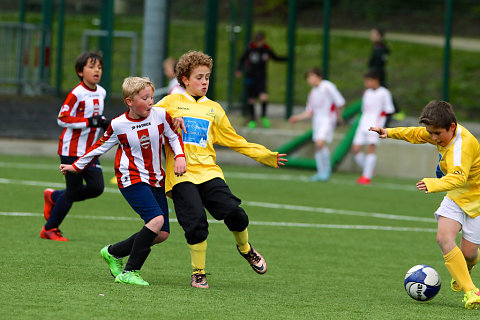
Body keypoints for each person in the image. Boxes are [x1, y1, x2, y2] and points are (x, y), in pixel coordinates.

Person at [154, 50, 288, 289]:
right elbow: (148, 121)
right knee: (196, 223)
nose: (204, 82)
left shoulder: (214, 109)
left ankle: (246, 249)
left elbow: (235, 140)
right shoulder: (170, 103)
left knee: (236, 214)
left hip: (209, 172)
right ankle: (198, 272)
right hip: (181, 175)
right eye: (199, 77)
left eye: (207, 77)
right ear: (184, 79)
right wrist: (166, 122)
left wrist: (265, 156)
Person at [60, 77, 186, 286]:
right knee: (156, 221)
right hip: (131, 178)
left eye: (152, 97)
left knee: (162, 234)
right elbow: (100, 146)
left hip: (156, 178)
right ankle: (130, 271)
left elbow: (173, 136)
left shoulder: (160, 115)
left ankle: (113, 252)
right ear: (129, 101)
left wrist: (180, 156)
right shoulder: (119, 125)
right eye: (144, 98)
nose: (150, 102)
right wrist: (76, 166)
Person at [369, 100, 480, 310]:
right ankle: (471, 291)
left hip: (477, 196)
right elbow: (415, 134)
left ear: (452, 127)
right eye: (431, 132)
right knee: (443, 237)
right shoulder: (437, 132)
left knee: (470, 254)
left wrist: (433, 183)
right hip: (456, 195)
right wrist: (388, 132)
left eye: (437, 133)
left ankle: (467, 268)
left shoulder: (461, 146)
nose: (433, 137)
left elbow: (458, 178)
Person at [41, 51, 110, 241]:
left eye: (99, 67)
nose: (97, 70)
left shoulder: (102, 92)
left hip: (90, 151)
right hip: (71, 149)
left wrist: (103, 123)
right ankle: (50, 228)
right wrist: (90, 122)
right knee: (72, 192)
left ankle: (54, 197)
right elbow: (62, 119)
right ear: (80, 71)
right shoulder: (76, 93)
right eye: (91, 66)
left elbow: (97, 117)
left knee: (97, 188)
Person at [288, 68, 345, 181]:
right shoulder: (313, 92)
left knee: (320, 143)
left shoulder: (328, 86)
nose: (309, 80)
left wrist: (339, 117)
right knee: (318, 146)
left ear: (318, 76)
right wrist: (297, 117)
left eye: (311, 76)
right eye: (308, 78)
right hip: (317, 121)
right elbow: (310, 112)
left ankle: (327, 170)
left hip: (328, 119)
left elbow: (340, 102)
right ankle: (321, 172)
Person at [236, 31, 287, 129]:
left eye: (261, 42)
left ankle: (264, 117)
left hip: (261, 77)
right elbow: (241, 59)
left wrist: (286, 59)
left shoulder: (266, 49)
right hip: (250, 77)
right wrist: (238, 69)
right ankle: (252, 119)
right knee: (251, 99)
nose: (259, 44)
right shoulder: (250, 48)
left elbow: (275, 58)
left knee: (264, 97)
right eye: (257, 42)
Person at [352, 71, 395, 185]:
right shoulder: (366, 93)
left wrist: (383, 126)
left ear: (376, 80)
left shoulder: (384, 93)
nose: (366, 83)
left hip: (376, 125)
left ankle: (366, 177)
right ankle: (369, 169)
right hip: (363, 124)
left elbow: (388, 110)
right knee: (355, 149)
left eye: (368, 80)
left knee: (370, 148)